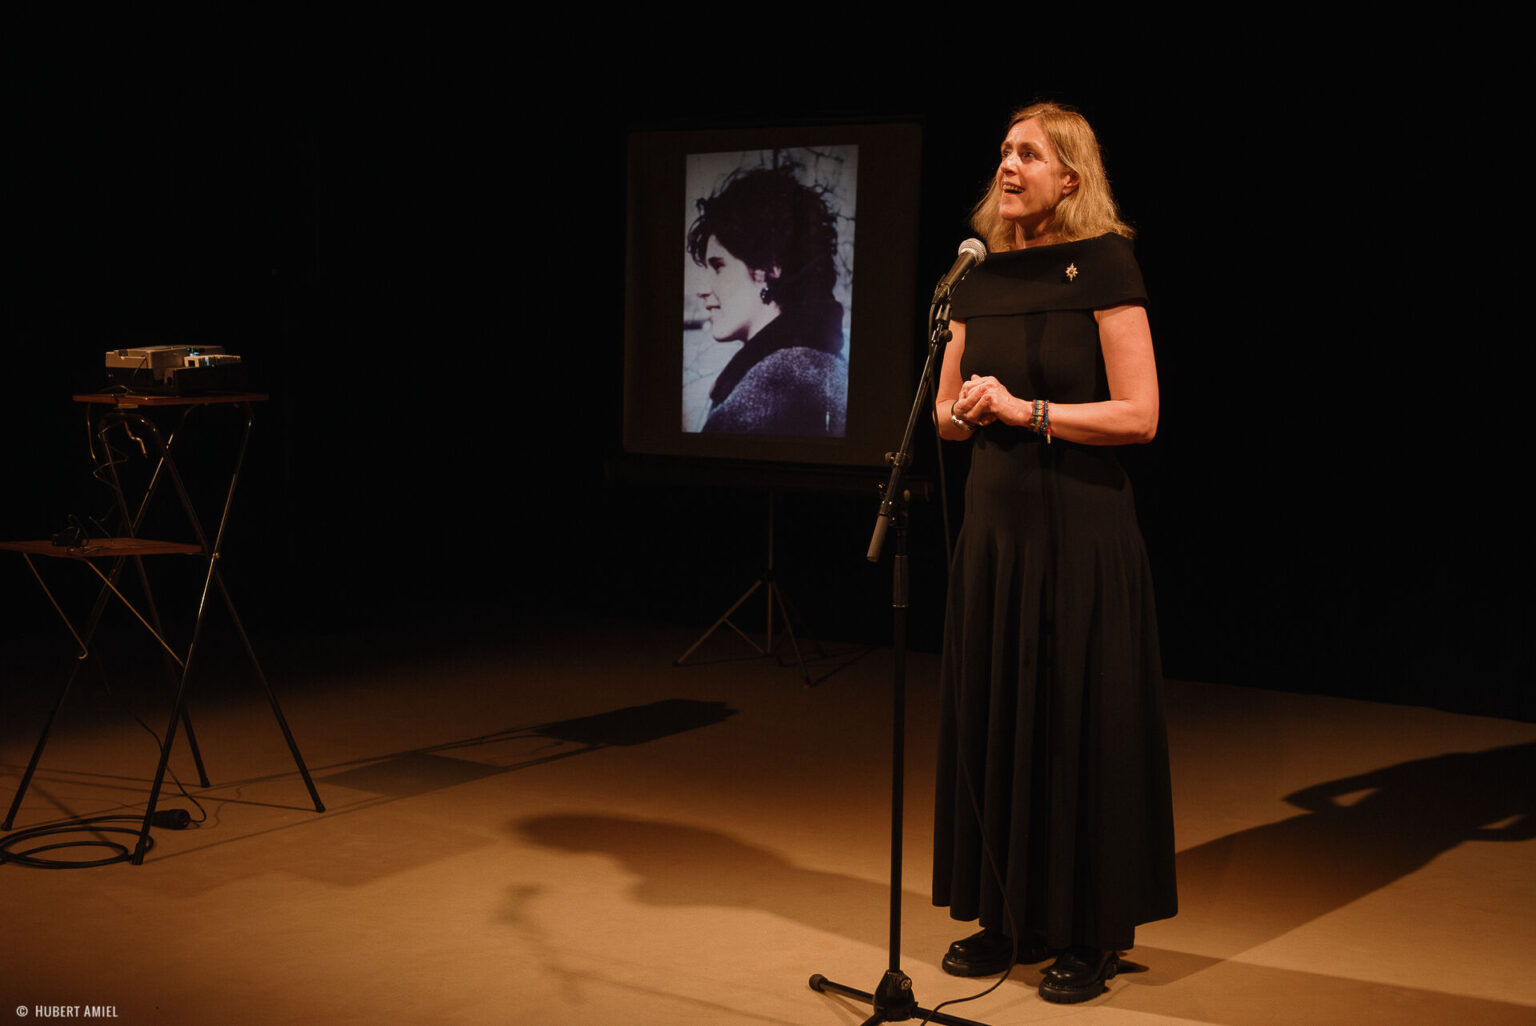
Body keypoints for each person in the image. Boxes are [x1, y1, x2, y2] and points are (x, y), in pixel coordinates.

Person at [930, 102, 1178, 1004]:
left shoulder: (1105, 263)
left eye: (1028, 153)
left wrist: (1029, 412)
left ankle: (1091, 932)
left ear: (1068, 177)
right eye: (1002, 149)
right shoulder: (973, 275)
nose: (1008, 164)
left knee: (1079, 722)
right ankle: (1006, 915)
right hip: (995, 538)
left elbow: (1140, 415)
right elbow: (945, 421)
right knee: (1002, 717)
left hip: (1082, 532)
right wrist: (960, 412)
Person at [686, 165, 847, 436]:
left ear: (769, 267)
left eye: (719, 266)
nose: (703, 289)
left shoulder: (777, 384)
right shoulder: (820, 365)